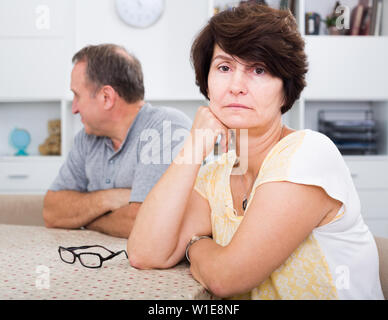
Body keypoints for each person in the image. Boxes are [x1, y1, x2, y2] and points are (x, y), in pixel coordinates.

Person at [127, 4, 384, 300]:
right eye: (224, 67)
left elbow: (227, 278)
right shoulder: (218, 173)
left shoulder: (308, 155)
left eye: (258, 69)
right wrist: (195, 144)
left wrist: (195, 244)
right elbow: (145, 253)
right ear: (207, 83)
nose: (236, 86)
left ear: (285, 90)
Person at [43, 44, 192, 238]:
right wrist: (110, 199)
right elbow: (51, 212)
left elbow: (144, 224)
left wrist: (87, 220)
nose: (74, 108)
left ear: (107, 97)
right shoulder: (86, 138)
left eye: (77, 96)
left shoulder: (166, 128)